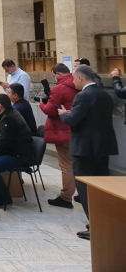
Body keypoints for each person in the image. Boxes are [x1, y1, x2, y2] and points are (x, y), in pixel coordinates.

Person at [58, 65, 118, 240]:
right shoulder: (104, 94)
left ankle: (94, 225)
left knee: (85, 187)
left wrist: (63, 114)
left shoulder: (83, 95)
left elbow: (73, 120)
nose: (73, 82)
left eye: (74, 78)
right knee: (102, 186)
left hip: (85, 148)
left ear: (80, 78)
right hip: (102, 147)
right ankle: (103, 221)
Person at [40, 63, 79, 209]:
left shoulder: (60, 88)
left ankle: (66, 197)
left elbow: (50, 110)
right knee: (75, 163)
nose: (54, 78)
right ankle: (78, 194)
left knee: (66, 165)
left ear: (59, 74)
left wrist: (41, 104)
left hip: (62, 129)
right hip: (76, 129)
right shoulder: (78, 85)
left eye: (54, 75)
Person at [0, 94, 35, 208]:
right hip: (15, 153)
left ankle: (2, 199)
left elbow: (4, 142)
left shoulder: (9, 118)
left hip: (20, 157)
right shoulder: (8, 114)